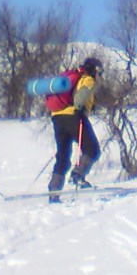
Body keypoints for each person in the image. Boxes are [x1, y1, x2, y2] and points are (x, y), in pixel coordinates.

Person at [48, 56, 102, 201]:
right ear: (94, 70)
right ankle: (78, 175)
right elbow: (80, 99)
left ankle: (54, 191)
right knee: (92, 149)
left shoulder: (73, 77)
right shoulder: (87, 80)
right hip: (74, 116)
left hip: (57, 118)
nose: (100, 76)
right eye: (99, 72)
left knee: (63, 156)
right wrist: (79, 109)